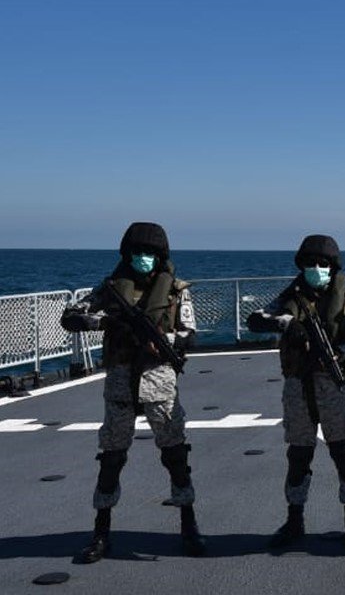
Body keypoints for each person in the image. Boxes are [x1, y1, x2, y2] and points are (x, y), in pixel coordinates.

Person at [60, 222, 204, 562]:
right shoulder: (110, 289)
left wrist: (165, 340)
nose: (143, 258)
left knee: (176, 455)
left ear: (160, 256)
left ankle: (189, 525)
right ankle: (101, 533)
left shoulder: (176, 291)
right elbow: (71, 317)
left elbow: (190, 334)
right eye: (138, 252)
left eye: (150, 253)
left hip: (159, 381)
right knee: (111, 457)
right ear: (127, 254)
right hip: (121, 381)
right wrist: (105, 322)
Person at [247, 235, 345, 548]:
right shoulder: (289, 298)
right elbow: (255, 320)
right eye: (310, 263)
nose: (316, 268)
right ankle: (294, 519)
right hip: (298, 386)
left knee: (343, 452)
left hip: (334, 386)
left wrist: (340, 353)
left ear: (333, 267)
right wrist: (287, 324)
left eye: (323, 264)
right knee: (298, 455)